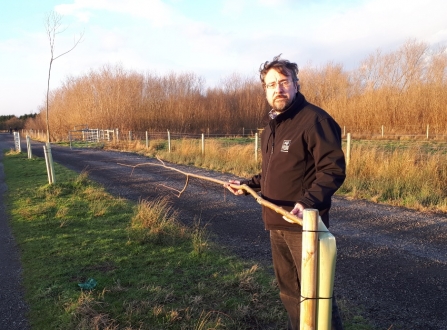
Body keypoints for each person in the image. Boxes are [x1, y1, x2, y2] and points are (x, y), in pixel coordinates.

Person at [225, 55, 346, 330]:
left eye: (283, 82)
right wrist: (246, 185)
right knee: (290, 293)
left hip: (304, 225)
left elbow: (332, 170)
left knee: (317, 296)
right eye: (271, 85)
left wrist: (307, 203)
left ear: (296, 84)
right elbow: (270, 174)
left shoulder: (315, 120)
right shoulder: (271, 128)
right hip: (276, 221)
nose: (277, 89)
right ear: (265, 90)